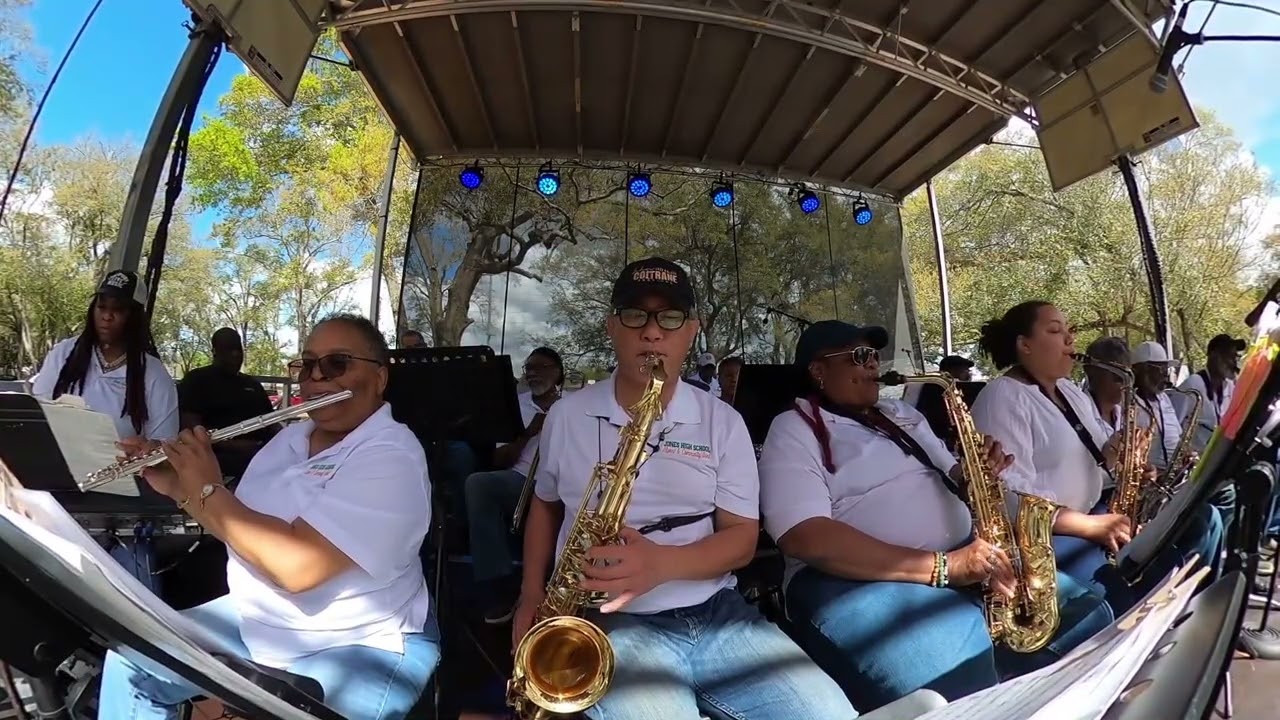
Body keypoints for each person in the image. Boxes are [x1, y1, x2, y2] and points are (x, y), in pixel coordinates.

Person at [516, 257, 854, 720]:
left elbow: (740, 539)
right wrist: (531, 597)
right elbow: (545, 506)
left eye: (670, 318)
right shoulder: (566, 416)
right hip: (608, 621)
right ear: (611, 326)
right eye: (636, 315)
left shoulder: (724, 422)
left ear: (691, 330)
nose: (652, 333)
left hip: (720, 612)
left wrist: (660, 564)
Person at [98, 314, 439, 720]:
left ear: (379, 378)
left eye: (337, 364)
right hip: (259, 618)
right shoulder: (289, 439)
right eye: (307, 365)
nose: (316, 378)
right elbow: (237, 527)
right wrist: (176, 481)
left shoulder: (392, 456)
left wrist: (207, 488)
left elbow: (297, 569)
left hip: (357, 639)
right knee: (132, 661)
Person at [760, 319, 1112, 710]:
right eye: (860, 357)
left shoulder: (898, 413)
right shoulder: (793, 429)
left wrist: (979, 472)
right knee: (962, 682)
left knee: (1090, 619)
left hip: (962, 557)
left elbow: (954, 474)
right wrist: (944, 567)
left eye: (875, 355)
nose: (874, 365)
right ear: (818, 370)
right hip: (857, 581)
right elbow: (804, 536)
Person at [970, 301, 1222, 613]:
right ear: (1025, 345)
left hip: (1093, 515)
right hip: (1047, 538)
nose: (1069, 339)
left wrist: (1128, 463)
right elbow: (1007, 498)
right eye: (1054, 330)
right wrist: (1089, 526)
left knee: (1177, 556)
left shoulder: (1070, 392)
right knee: (1122, 597)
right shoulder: (1002, 397)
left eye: (1069, 330)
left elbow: (1099, 459)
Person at [465, 346, 564, 624]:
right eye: (528, 368)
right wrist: (528, 432)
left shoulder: (574, 406)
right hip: (521, 480)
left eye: (541, 368)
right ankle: (498, 585)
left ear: (557, 372)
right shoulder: (514, 405)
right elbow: (499, 458)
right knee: (478, 484)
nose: (533, 374)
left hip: (563, 483)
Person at [32, 269, 178, 443]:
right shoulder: (64, 352)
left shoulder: (153, 373)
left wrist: (147, 448)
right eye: (102, 307)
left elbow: (165, 442)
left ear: (135, 317)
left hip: (118, 468)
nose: (107, 316)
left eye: (118, 310)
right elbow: (37, 412)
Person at [176, 328, 276, 480]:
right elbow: (191, 429)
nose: (235, 354)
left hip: (261, 456)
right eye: (229, 349)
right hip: (217, 459)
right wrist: (233, 445)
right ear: (215, 351)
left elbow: (272, 423)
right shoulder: (197, 380)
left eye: (238, 349)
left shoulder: (252, 385)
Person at [1171, 333, 1246, 532]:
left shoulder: (1230, 387)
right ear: (1212, 355)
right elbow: (1172, 426)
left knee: (1231, 499)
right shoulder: (1193, 385)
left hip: (1214, 466)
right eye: (1228, 356)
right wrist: (1185, 453)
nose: (1233, 362)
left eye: (1235, 357)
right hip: (1190, 470)